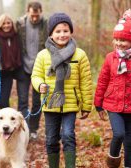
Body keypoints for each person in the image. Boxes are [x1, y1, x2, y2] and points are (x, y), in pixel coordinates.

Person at [94, 9, 131, 168]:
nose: (119, 43)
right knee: (119, 134)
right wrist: (98, 103)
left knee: (129, 141)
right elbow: (102, 81)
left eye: (123, 40)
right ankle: (113, 160)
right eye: (117, 40)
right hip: (114, 105)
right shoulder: (110, 58)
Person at [31, 13, 93, 168]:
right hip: (50, 103)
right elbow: (36, 76)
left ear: (70, 32)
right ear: (51, 34)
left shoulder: (80, 55)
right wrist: (40, 85)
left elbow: (85, 81)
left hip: (70, 103)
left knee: (68, 135)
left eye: (65, 30)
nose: (62, 34)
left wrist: (86, 106)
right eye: (58, 31)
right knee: (51, 138)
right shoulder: (43, 55)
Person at [16, 1, 48, 139]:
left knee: (36, 102)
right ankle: (24, 129)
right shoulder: (20, 24)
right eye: (32, 15)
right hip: (23, 67)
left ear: (41, 12)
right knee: (23, 100)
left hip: (39, 69)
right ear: (28, 12)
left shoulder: (46, 24)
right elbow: (4, 32)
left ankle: (33, 129)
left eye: (37, 15)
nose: (35, 18)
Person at [0, 14, 22, 109]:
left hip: (8, 73)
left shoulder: (15, 37)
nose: (6, 25)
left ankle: (6, 120)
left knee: (4, 100)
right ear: (0, 24)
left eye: (8, 23)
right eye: (4, 23)